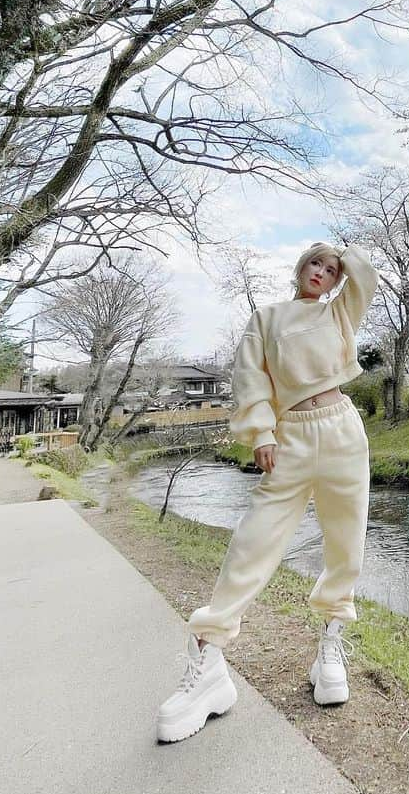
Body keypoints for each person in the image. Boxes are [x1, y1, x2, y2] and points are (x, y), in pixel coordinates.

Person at [156, 240, 379, 744]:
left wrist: (344, 251)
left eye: (330, 268)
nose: (321, 272)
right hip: (290, 438)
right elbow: (250, 379)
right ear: (299, 267)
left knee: (347, 544)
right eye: (314, 263)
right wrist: (262, 434)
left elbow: (367, 276)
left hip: (343, 431)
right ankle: (209, 657)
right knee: (253, 543)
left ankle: (330, 643)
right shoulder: (268, 317)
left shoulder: (340, 312)